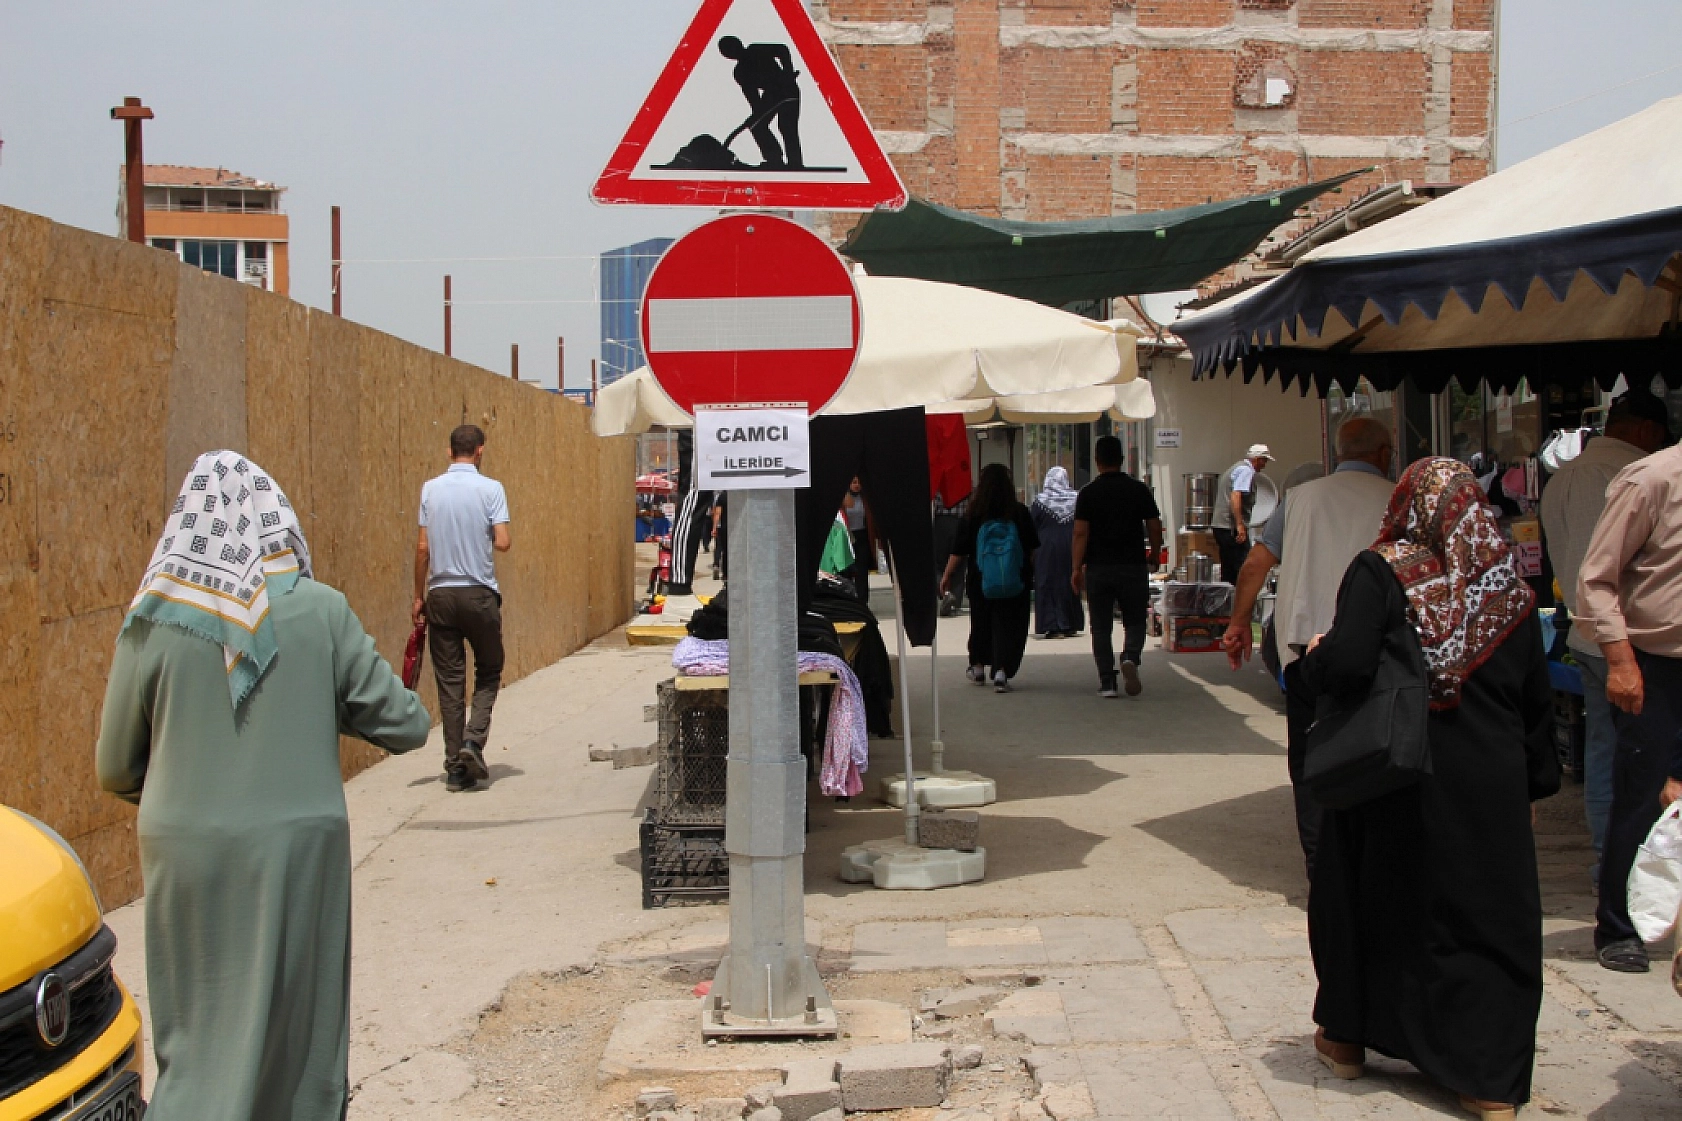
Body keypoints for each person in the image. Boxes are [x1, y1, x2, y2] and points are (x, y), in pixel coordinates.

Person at [97, 451, 430, 1121]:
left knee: (196, 1031)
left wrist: (187, 795)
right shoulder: (319, 609)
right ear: (277, 523)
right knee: (299, 1036)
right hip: (298, 854)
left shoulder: (154, 614)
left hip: (182, 851)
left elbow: (114, 765)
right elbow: (406, 724)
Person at [1297, 458, 1556, 1120]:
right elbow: (1534, 701)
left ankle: (1348, 1036)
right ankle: (1489, 1078)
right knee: (1484, 916)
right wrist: (1530, 785)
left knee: (1370, 896)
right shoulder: (1509, 589)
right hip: (1487, 780)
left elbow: (1349, 662)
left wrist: (1316, 655)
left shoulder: (1383, 569)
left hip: (1394, 776)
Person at [1221, 418, 1395, 875]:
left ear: (1340, 454)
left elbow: (1256, 564)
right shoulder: (1399, 499)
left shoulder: (1299, 500)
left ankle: (1321, 861)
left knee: (1309, 756)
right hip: (1379, 650)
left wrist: (1238, 623)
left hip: (1306, 650)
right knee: (1379, 751)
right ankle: (1373, 856)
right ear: (1384, 454)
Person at [1539, 391, 1672, 890]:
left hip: (1589, 636)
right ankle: (1635, 872)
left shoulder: (1564, 479)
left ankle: (1607, 864)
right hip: (1631, 644)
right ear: (1644, 431)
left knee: (1604, 752)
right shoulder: (1640, 478)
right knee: (1643, 762)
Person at [1577, 435, 1682, 973]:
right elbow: (1596, 580)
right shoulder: (1652, 480)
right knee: (1639, 796)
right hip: (1657, 663)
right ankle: (1618, 927)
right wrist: (1620, 661)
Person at [413, 424, 511, 792]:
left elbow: (422, 549)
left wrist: (417, 595)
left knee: (450, 682)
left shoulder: (430, 489)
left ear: (449, 451)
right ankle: (473, 740)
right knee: (489, 668)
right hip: (479, 593)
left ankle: (455, 767)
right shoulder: (491, 489)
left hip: (440, 594)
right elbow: (503, 542)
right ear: (480, 451)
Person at [1071, 438, 1162, 698]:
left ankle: (1107, 681)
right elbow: (1154, 525)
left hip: (1098, 568)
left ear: (1097, 461)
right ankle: (1130, 656)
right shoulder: (1138, 489)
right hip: (1133, 565)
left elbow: (1080, 533)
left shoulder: (1088, 493)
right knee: (1134, 619)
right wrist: (1154, 552)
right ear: (1121, 460)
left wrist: (1076, 568)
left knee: (1100, 626)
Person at [940, 464, 1039, 692]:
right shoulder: (1019, 512)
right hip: (1015, 579)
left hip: (981, 578)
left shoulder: (973, 514)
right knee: (1009, 623)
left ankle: (977, 667)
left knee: (981, 621)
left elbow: (959, 550)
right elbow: (1033, 548)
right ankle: (1002, 670)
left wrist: (947, 575)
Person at [717, 35, 804, 170]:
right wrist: (755, 116)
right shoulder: (739, 72)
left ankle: (793, 162)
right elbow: (753, 99)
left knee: (786, 127)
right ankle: (776, 159)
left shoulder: (755, 49)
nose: (730, 52)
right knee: (758, 125)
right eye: (726, 51)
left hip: (787, 89)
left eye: (730, 48)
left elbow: (782, 49)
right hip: (772, 95)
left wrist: (787, 71)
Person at [1030, 466, 1084, 639]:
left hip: (1045, 548)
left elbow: (1032, 526)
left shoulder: (1040, 500)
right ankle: (1069, 623)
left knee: (1047, 582)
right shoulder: (1077, 498)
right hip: (1070, 546)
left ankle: (1052, 625)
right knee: (1068, 581)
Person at [1211, 443, 1272, 584]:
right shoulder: (1246, 471)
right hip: (1230, 527)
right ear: (1257, 459)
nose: (1264, 465)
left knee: (1228, 570)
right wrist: (1239, 525)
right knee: (1242, 567)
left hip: (1220, 525)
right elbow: (1236, 495)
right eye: (1264, 460)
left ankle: (1228, 601)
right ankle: (1241, 602)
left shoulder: (1236, 468)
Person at [843, 477, 870, 600]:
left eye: (859, 483)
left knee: (862, 570)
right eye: (854, 482)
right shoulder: (844, 498)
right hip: (847, 535)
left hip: (861, 535)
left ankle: (862, 599)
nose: (857, 485)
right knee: (847, 569)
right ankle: (848, 598)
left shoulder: (864, 498)